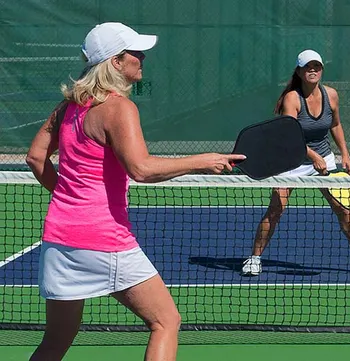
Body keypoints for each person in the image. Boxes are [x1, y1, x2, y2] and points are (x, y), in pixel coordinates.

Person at [25, 22, 245, 361]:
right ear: (115, 62)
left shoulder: (66, 108)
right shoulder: (119, 108)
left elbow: (36, 157)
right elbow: (140, 168)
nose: (142, 58)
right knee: (166, 321)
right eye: (135, 53)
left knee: (56, 342)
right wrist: (201, 161)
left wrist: (68, 196)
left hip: (59, 239)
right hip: (103, 239)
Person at [241, 49, 350, 277]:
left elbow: (335, 124)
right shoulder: (292, 99)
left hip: (323, 158)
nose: (313, 70)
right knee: (276, 209)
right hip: (291, 161)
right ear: (299, 71)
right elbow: (290, 136)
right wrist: (312, 156)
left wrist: (345, 153)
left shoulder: (331, 95)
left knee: (343, 208)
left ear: (322, 70)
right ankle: (254, 258)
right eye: (308, 66)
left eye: (316, 66)